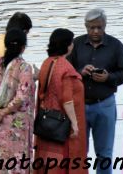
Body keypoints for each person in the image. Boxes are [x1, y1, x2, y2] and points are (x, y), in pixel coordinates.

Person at [67, 8, 123, 174]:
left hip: (105, 105)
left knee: (105, 154)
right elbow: (66, 71)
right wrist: (80, 72)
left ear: (105, 26)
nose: (95, 31)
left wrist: (108, 77)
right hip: (79, 106)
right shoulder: (76, 44)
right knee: (79, 153)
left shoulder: (116, 46)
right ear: (86, 26)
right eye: (91, 28)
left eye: (99, 27)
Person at [0, 28, 36, 171]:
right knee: (17, 164)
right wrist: (3, 113)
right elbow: (21, 97)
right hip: (18, 125)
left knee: (0, 163)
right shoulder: (24, 68)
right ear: (23, 47)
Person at [34, 29, 86, 173]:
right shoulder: (65, 67)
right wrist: (75, 124)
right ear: (67, 45)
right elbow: (67, 99)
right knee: (62, 163)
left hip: (46, 124)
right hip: (61, 127)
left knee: (46, 161)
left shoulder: (47, 62)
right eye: (72, 42)